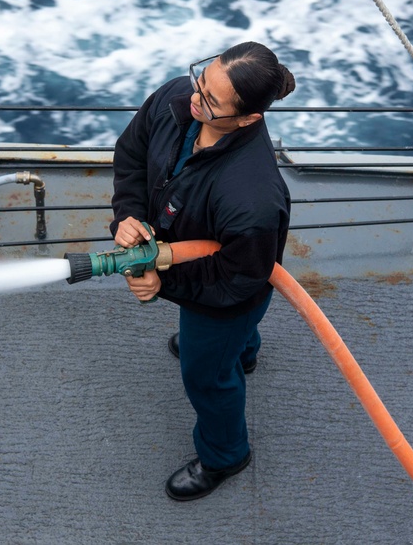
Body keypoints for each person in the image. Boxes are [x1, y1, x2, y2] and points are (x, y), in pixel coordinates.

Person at [110, 41, 295, 501]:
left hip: (231, 289)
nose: (194, 97)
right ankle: (245, 354)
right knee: (231, 345)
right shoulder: (179, 97)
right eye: (201, 79)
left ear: (249, 118)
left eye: (210, 100)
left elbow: (237, 280)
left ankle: (225, 455)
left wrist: (162, 279)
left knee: (206, 374)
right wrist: (128, 216)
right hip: (216, 268)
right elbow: (132, 156)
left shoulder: (251, 196)